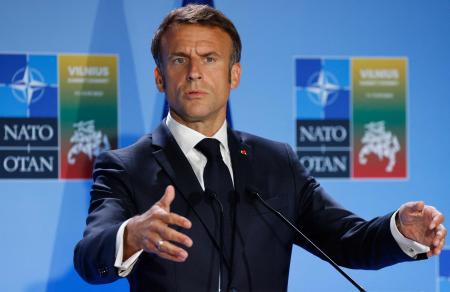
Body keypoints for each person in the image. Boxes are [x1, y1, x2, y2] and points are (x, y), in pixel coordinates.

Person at [74, 4, 447, 292]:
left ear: (233, 75)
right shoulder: (125, 166)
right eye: (178, 59)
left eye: (209, 58)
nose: (194, 72)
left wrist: (400, 230)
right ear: (159, 77)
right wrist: (132, 234)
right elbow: (90, 257)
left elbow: (346, 240)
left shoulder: (276, 163)